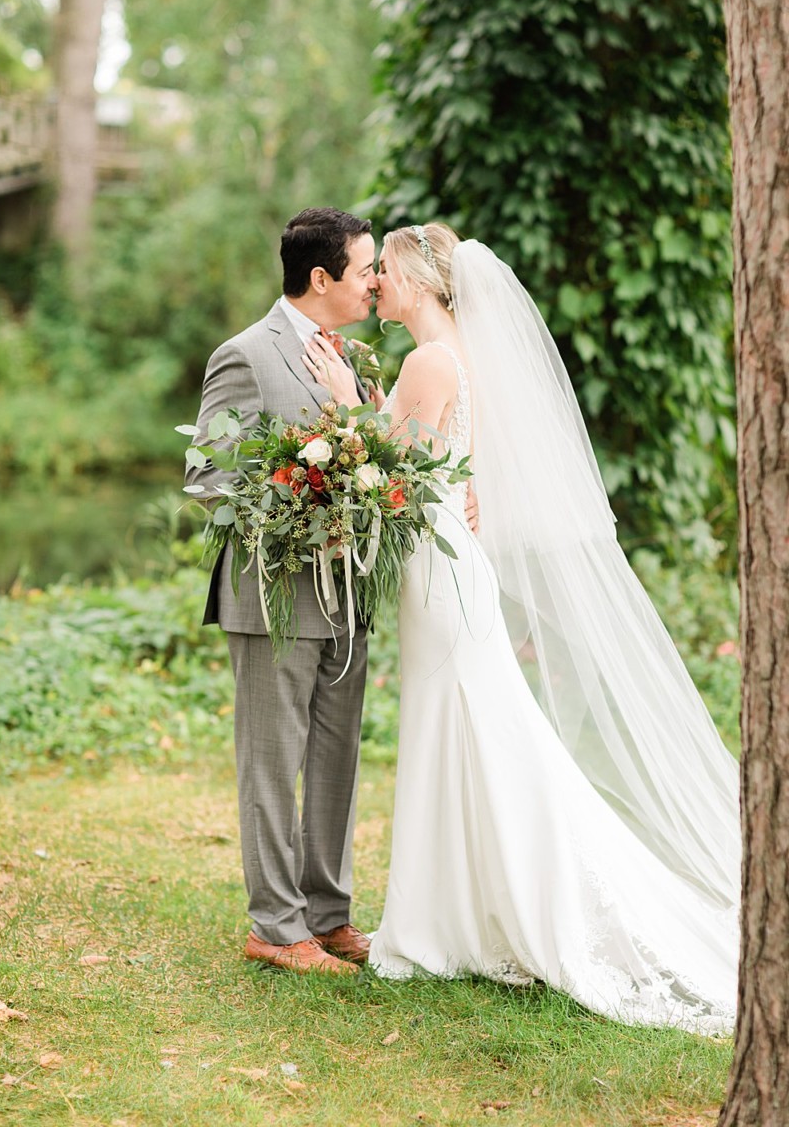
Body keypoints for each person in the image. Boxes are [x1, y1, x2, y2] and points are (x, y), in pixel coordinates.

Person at [304, 223, 740, 1032]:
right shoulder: (454, 353)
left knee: (477, 728)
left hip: (442, 575)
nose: (378, 285)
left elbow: (396, 473)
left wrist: (343, 402)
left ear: (421, 282)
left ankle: (466, 919)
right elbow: (445, 466)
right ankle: (454, 914)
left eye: (386, 271)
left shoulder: (429, 361)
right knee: (461, 728)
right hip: (447, 561)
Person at [186, 207, 378, 975]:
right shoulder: (244, 355)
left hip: (347, 591)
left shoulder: (353, 358)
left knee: (338, 758)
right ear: (321, 277)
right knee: (272, 762)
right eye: (365, 269)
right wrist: (302, 498)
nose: (375, 283)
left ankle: (328, 915)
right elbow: (208, 475)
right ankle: (275, 926)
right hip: (273, 594)